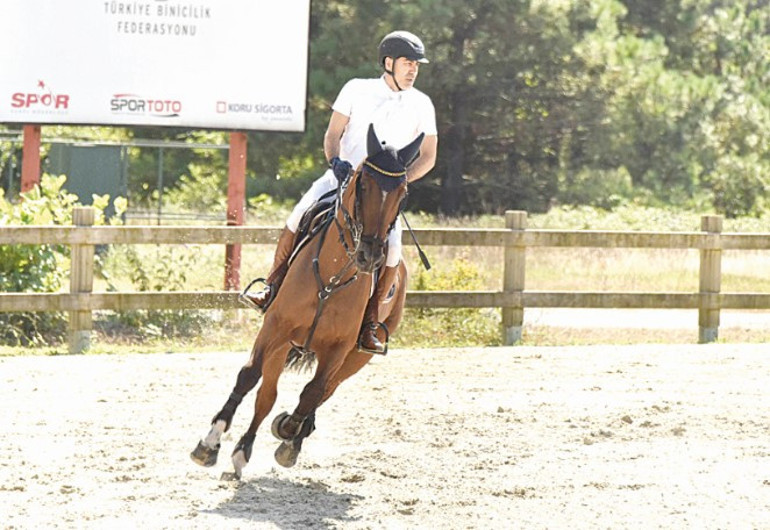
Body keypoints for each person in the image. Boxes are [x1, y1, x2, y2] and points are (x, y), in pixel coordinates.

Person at [242, 30, 438, 354]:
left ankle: (371, 322)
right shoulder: (357, 90)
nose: (413, 69)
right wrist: (335, 162)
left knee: (393, 250)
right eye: (407, 63)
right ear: (388, 63)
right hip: (342, 178)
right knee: (297, 216)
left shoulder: (422, 104)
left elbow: (429, 156)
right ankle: (272, 284)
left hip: (382, 196)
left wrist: (400, 184)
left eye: (416, 64)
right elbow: (333, 134)